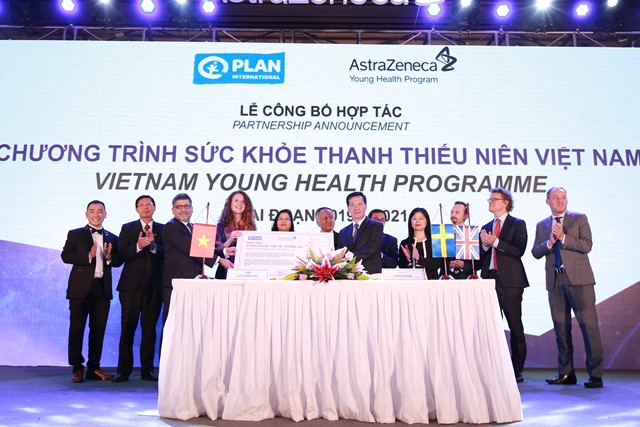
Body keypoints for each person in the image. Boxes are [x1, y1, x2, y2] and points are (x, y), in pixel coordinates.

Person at [532, 187, 604, 389]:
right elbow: (535, 252)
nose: (560, 201)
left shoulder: (579, 218)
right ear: (547, 201)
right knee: (561, 330)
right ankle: (566, 373)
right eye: (555, 197)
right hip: (555, 281)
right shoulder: (542, 225)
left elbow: (587, 245)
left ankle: (595, 375)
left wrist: (563, 238)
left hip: (580, 281)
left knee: (589, 328)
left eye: (563, 197)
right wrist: (549, 243)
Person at [61, 200, 122, 383]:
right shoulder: (75, 234)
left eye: (100, 211)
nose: (96, 214)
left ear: (105, 214)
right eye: (92, 211)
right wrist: (89, 255)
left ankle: (94, 367)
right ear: (86, 214)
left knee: (98, 330)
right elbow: (66, 255)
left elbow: (118, 261)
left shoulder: (113, 237)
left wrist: (109, 258)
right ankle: (77, 368)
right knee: (77, 329)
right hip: (79, 289)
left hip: (102, 290)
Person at [479, 187, 529, 384]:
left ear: (505, 202)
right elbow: (481, 256)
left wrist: (496, 242)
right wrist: (485, 245)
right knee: (491, 327)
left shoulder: (518, 224)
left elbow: (519, 250)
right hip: (489, 280)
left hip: (511, 282)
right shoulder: (486, 226)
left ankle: (516, 369)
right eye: (490, 199)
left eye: (494, 199)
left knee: (515, 325)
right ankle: (494, 367)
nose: (490, 202)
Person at [113, 195, 164, 383]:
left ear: (154, 207)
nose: (145, 208)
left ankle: (147, 370)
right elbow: (119, 257)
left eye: (148, 204)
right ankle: (123, 371)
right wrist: (138, 246)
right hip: (130, 288)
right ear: (136, 209)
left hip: (154, 288)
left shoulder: (163, 229)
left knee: (149, 330)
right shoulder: (128, 228)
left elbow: (167, 253)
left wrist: (153, 246)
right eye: (141, 205)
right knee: (127, 329)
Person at [162, 193, 226, 322]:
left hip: (192, 282)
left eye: (186, 206)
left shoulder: (192, 227)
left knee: (190, 324)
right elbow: (190, 248)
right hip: (177, 283)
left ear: (192, 208)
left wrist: (224, 251)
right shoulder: (171, 226)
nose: (183, 210)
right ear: (173, 210)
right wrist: (219, 260)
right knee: (173, 324)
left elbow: (202, 248)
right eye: (179, 207)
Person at [338, 192, 383, 274]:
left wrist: (349, 258)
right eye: (352, 205)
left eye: (359, 204)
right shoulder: (343, 232)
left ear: (365, 206)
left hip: (370, 273)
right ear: (348, 208)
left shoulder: (376, 226)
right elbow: (340, 252)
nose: (356, 208)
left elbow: (371, 249)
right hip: (347, 275)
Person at [214, 190, 254, 279]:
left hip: (246, 270)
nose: (239, 203)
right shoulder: (221, 226)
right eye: (236, 200)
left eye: (243, 201)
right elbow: (216, 250)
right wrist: (230, 240)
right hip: (225, 269)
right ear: (230, 204)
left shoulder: (251, 227)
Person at [398, 207, 441, 279]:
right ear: (410, 222)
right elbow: (401, 266)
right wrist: (409, 259)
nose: (417, 221)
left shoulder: (435, 242)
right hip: (410, 282)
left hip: (431, 282)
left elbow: (437, 264)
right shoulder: (405, 243)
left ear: (427, 221)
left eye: (421, 219)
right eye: (414, 219)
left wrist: (418, 258)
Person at [445, 201, 474, 279]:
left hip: (467, 279)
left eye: (457, 212)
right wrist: (449, 264)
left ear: (466, 216)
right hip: (447, 279)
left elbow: (478, 262)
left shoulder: (472, 234)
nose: (453, 215)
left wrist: (464, 265)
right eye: (452, 212)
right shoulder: (444, 233)